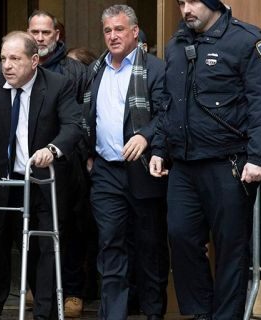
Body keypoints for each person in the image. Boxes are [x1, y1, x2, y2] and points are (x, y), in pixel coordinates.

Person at [149, 0, 261, 319]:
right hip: (183, 165)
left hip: (229, 163)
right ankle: (200, 312)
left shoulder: (247, 41)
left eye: (193, 1)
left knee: (231, 249)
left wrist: (259, 156)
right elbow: (169, 103)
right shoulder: (177, 45)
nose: (186, 9)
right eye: (181, 3)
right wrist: (160, 147)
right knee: (180, 238)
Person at [0, 31, 82, 320]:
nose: (7, 66)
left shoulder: (58, 85)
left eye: (15, 59)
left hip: (41, 182)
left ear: (34, 60)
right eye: (3, 59)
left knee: (45, 248)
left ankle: (44, 314)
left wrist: (53, 148)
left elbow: (73, 126)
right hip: (2, 181)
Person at [84, 5, 169, 320]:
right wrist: (89, 154)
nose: (112, 36)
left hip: (145, 169)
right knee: (110, 245)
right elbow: (87, 117)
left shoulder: (156, 69)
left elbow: (167, 114)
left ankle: (153, 312)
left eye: (119, 29)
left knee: (150, 246)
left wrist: (146, 136)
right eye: (107, 30)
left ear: (135, 32)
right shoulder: (96, 70)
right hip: (106, 171)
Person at [26, 9, 93, 318]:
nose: (40, 38)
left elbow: (85, 119)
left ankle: (74, 290)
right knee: (28, 228)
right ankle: (36, 290)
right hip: (27, 166)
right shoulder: (17, 68)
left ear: (57, 35)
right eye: (35, 32)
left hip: (69, 165)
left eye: (46, 33)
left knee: (69, 230)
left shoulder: (75, 71)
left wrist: (83, 155)